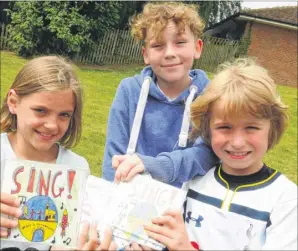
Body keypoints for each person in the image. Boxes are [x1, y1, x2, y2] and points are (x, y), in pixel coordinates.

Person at [142, 58, 297, 250]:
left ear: (272, 128)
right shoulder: (193, 181)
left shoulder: (286, 200)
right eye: (224, 127)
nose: (238, 142)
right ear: (208, 129)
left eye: (251, 127)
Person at [0, 56, 115, 250]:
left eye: (64, 115)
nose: (52, 125)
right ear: (13, 102)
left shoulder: (77, 168)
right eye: (41, 110)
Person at [103, 2, 218, 188]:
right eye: (157, 45)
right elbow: (113, 158)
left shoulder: (209, 97)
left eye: (180, 42)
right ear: (145, 54)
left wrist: (156, 166)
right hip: (130, 201)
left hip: (184, 207)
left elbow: (206, 154)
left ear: (197, 47)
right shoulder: (129, 91)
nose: (170, 53)